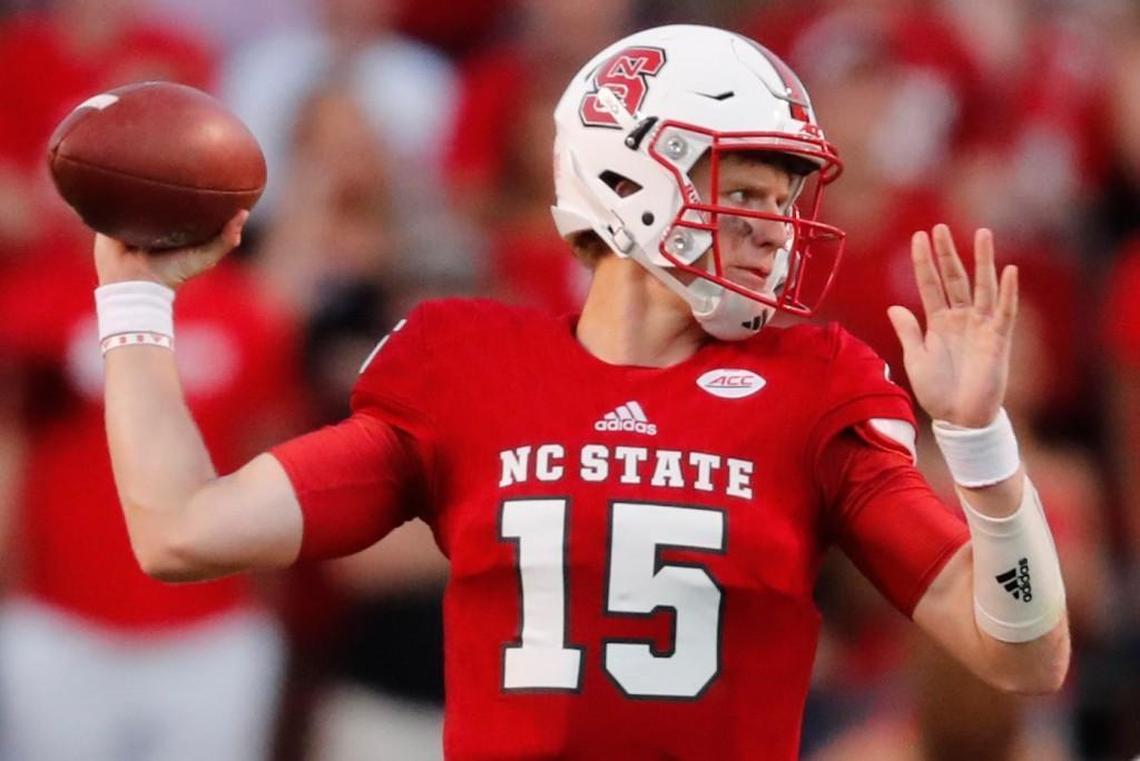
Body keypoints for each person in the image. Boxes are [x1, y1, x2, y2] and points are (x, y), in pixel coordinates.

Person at [89, 25, 1069, 760]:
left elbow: (1023, 653)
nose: (776, 228)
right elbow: (184, 529)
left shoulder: (813, 382)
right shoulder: (465, 362)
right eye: (750, 191)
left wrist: (980, 439)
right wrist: (134, 298)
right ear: (634, 169)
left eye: (785, 201)